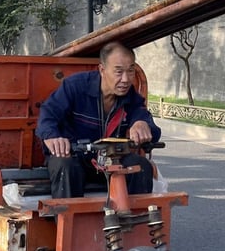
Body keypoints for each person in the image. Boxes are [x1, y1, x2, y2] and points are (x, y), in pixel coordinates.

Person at [35, 42, 160, 198]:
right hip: (74, 158)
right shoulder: (75, 86)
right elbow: (48, 114)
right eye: (118, 72)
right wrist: (51, 136)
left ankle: (135, 219)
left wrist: (142, 124)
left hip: (111, 159)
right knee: (65, 165)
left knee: (141, 166)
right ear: (102, 70)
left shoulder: (131, 97)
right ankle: (68, 221)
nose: (126, 79)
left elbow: (148, 124)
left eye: (131, 71)